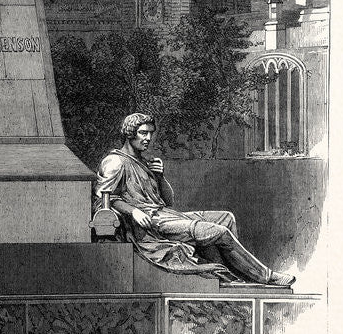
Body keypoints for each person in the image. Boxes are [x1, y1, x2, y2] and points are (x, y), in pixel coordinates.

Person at [94, 112, 295, 286]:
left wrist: (160, 176)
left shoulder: (145, 162)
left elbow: (168, 200)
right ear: (130, 134)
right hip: (149, 224)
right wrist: (134, 211)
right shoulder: (115, 161)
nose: (148, 138)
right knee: (219, 232)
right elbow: (105, 199)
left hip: (166, 214)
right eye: (143, 133)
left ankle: (230, 273)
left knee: (226, 217)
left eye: (150, 133)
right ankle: (264, 276)